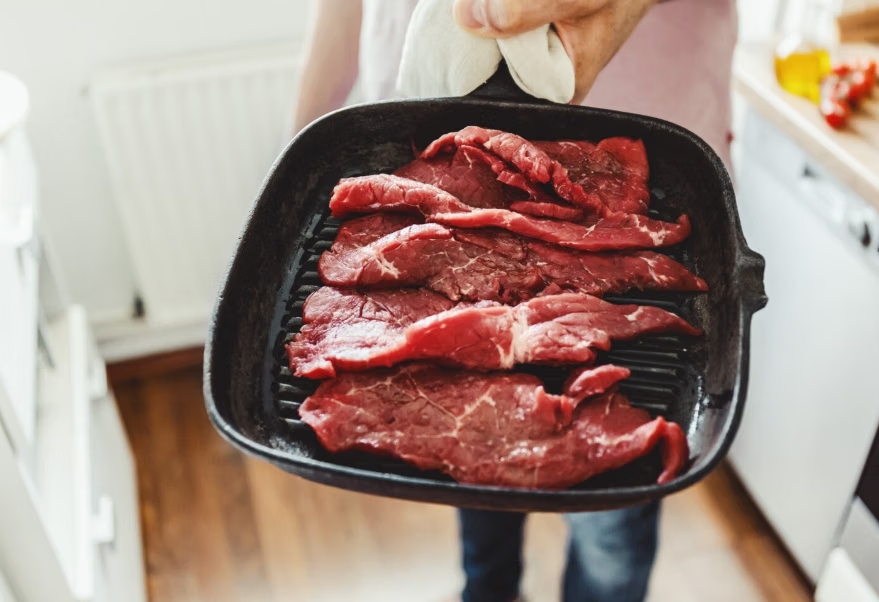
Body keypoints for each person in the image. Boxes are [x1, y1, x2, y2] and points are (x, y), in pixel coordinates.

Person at [293, 1, 736, 601]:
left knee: (609, 530)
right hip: (427, 138)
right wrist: (295, 155)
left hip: (647, 131)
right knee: (473, 439)